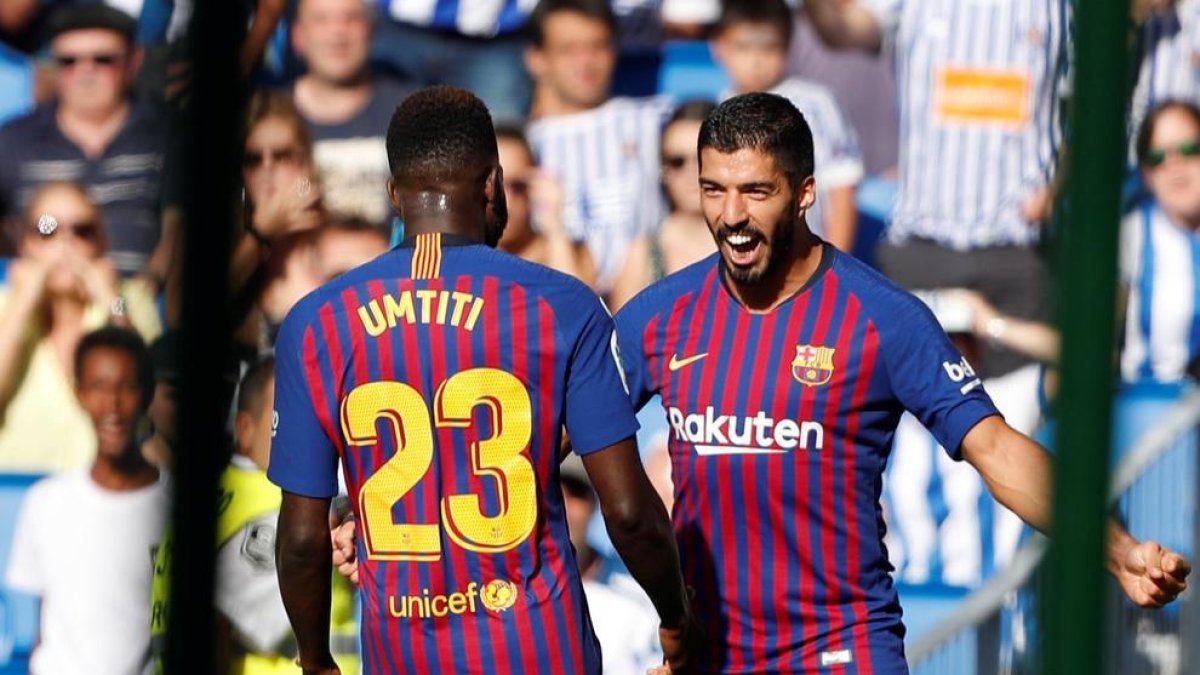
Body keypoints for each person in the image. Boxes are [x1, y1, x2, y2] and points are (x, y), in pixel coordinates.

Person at [610, 93, 1187, 672]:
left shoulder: (880, 316)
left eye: (756, 192)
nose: (731, 214)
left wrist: (1117, 551)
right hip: (713, 655)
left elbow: (996, 449)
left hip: (840, 649)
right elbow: (548, 442)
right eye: (714, 190)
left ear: (805, 192)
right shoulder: (660, 316)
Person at [268, 85, 698, 675]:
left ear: (396, 196)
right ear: (494, 183)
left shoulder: (316, 322)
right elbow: (626, 511)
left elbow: (299, 538)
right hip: (541, 652)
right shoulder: (561, 304)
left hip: (404, 658)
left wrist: (315, 660)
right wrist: (677, 621)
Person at [805, 0, 1066, 571]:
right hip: (920, 248)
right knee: (902, 440)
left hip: (1018, 252)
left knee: (1012, 427)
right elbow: (840, 25)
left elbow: (1106, 95)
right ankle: (917, 582)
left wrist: (1062, 179)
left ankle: (1000, 584)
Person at [6, 326, 169, 675]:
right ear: (79, 394)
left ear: (146, 393)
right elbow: (31, 630)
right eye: (98, 387)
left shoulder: (174, 506)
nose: (113, 404)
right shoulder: (45, 504)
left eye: (126, 387)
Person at [0, 4, 172, 278]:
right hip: (41, 312)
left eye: (103, 59)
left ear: (134, 62)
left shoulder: (168, 136)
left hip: (133, 307)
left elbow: (184, 236)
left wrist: (124, 303)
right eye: (69, 61)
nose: (85, 72)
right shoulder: (13, 141)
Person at [0, 181, 161, 472]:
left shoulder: (129, 301)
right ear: (26, 243)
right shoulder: (5, 304)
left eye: (82, 230)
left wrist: (111, 300)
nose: (65, 243)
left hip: (105, 495)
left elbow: (149, 392)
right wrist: (22, 303)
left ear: (101, 243)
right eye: (47, 230)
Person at [523, 0, 673, 307]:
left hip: (649, 297)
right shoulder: (523, 146)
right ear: (537, 59)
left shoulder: (656, 120)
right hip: (561, 303)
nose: (586, 62)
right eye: (568, 50)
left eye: (597, 46)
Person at [710, 0, 863, 252]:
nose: (755, 61)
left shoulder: (817, 104)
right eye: (742, 47)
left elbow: (842, 188)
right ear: (718, 46)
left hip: (808, 263)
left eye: (769, 48)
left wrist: (833, 267)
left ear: (789, 44)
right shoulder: (715, 111)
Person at [290, 0, 416, 228]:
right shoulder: (270, 113)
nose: (337, 32)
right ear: (298, 36)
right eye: (322, 20)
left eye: (351, 19)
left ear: (371, 31)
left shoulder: (411, 112)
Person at [559, 453, 663, 675]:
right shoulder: (506, 594)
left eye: (576, 491)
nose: (564, 505)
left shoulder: (645, 589)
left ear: (596, 503)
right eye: (552, 492)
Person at [1121, 100, 1200, 382]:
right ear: (1146, 174)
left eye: (1189, 150)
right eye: (1158, 158)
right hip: (1154, 408)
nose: (1174, 164)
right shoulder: (1132, 236)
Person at [494, 125, 594, 283]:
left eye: (519, 185)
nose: (507, 199)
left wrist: (554, 228)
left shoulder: (574, 252)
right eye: (495, 186)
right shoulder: (461, 258)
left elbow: (577, 303)